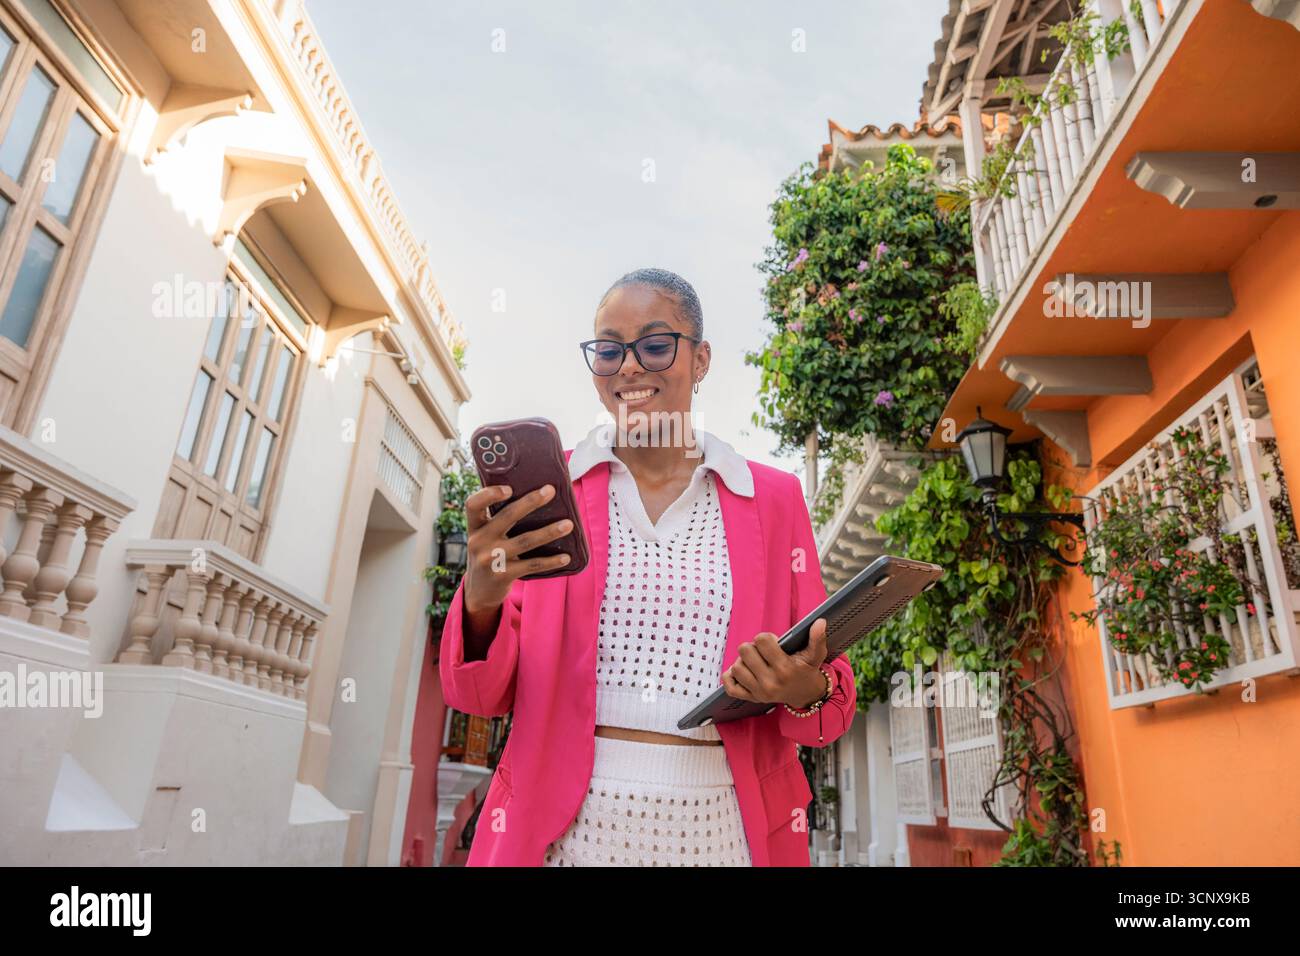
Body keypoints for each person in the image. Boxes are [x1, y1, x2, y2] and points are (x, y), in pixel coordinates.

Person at [440, 267, 857, 866]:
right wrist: (480, 598)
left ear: (702, 358)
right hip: (565, 835)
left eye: (655, 345)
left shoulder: (772, 499)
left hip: (722, 834)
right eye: (608, 350)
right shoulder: (555, 495)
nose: (628, 367)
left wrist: (803, 689)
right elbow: (479, 695)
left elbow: (828, 689)